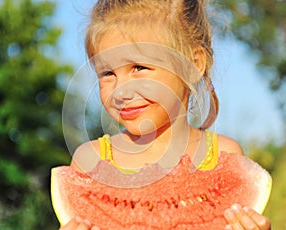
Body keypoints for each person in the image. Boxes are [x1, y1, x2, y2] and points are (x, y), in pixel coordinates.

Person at [60, 0, 271, 229]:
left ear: (192, 64)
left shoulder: (224, 155)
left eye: (139, 68)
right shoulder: (89, 161)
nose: (121, 91)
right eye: (107, 73)